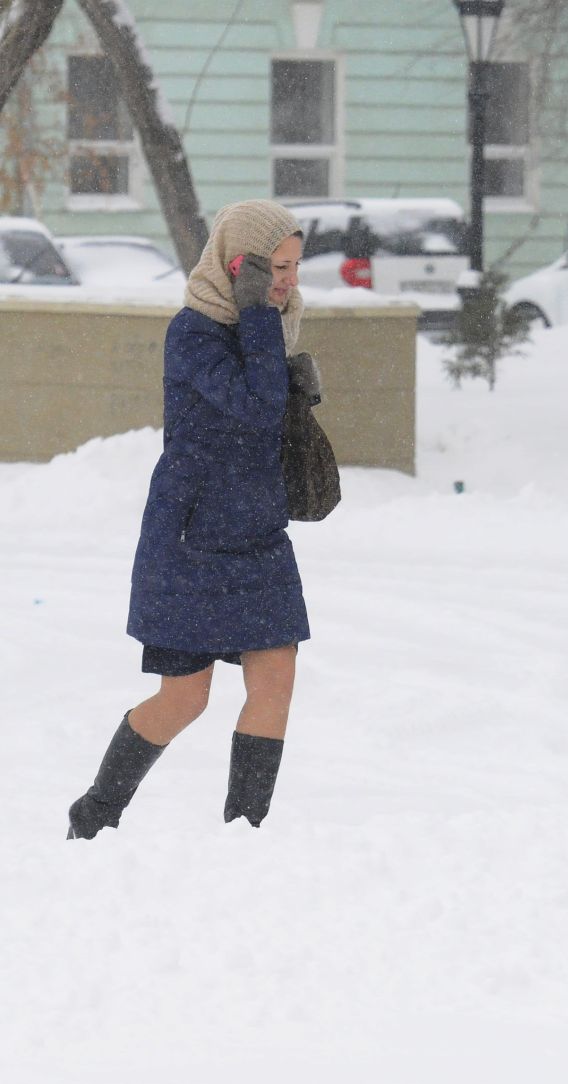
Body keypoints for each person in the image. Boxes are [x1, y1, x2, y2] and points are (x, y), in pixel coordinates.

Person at [66, 199, 322, 839]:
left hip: (259, 532)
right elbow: (257, 408)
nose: (287, 280)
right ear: (239, 267)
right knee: (185, 700)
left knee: (277, 681)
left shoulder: (272, 326)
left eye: (294, 267)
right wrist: (261, 314)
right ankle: (93, 816)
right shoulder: (194, 332)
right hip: (193, 535)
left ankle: (245, 834)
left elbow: (271, 424)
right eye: (275, 267)